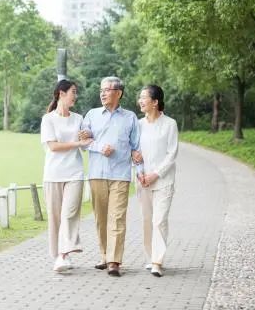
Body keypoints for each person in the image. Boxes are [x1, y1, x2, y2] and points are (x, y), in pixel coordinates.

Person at [81, 76, 140, 277]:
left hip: (120, 174)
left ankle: (115, 261)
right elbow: (84, 139)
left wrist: (136, 155)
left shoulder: (130, 117)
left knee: (117, 217)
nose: (103, 93)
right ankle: (105, 255)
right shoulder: (91, 114)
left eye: (107, 90)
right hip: (97, 173)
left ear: (118, 93)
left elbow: (136, 145)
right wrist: (99, 147)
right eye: (101, 90)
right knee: (101, 218)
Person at [40, 79, 92, 272]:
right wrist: (77, 144)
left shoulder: (79, 118)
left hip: (74, 173)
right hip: (53, 174)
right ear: (61, 94)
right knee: (55, 218)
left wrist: (86, 139)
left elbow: (85, 143)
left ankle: (63, 255)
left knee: (69, 214)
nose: (75, 96)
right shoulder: (49, 119)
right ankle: (60, 256)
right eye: (73, 92)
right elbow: (53, 146)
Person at [134, 85, 179, 277]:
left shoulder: (170, 124)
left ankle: (157, 261)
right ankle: (150, 256)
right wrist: (140, 173)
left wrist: (156, 174)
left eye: (144, 98)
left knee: (159, 220)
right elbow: (135, 153)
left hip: (163, 181)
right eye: (140, 97)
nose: (140, 101)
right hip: (142, 180)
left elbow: (172, 154)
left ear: (155, 102)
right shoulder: (138, 124)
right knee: (147, 221)